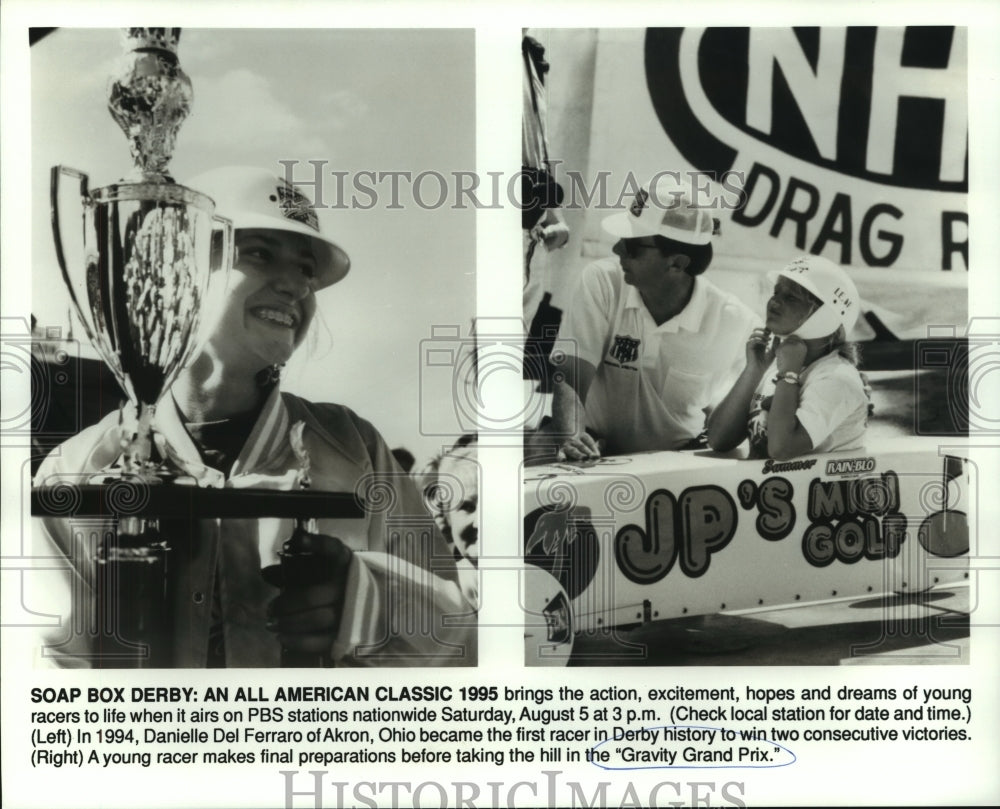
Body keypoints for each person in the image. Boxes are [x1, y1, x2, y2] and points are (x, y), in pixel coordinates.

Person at [33, 166, 475, 668]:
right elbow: (46, 674)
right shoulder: (78, 468)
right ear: (182, 267)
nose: (296, 286)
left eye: (307, 269)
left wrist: (367, 602)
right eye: (260, 253)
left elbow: (461, 645)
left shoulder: (356, 449)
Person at [536, 185, 758, 461]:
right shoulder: (602, 281)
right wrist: (573, 439)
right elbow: (571, 378)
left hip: (674, 465)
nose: (617, 249)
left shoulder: (736, 323)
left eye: (631, 245)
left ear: (677, 263)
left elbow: (724, 429)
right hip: (593, 447)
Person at [706, 254, 869, 459]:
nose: (774, 302)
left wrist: (789, 374)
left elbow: (781, 449)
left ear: (826, 316)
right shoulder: (777, 365)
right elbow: (719, 439)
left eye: (790, 297)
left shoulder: (838, 378)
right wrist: (754, 370)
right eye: (776, 292)